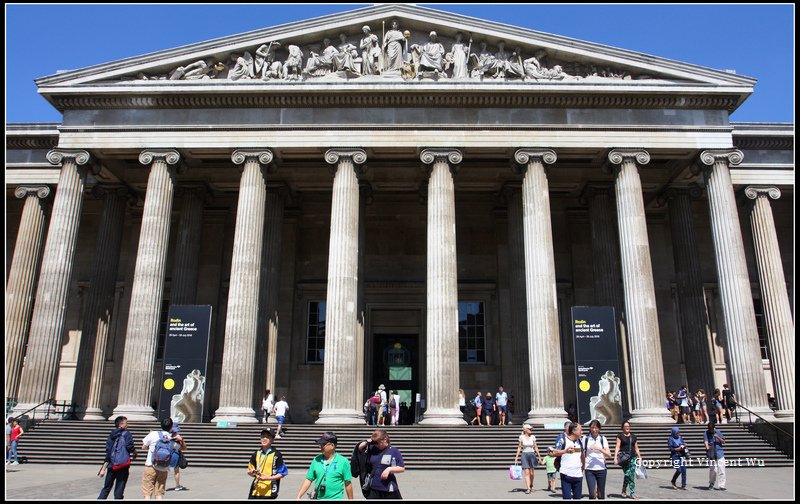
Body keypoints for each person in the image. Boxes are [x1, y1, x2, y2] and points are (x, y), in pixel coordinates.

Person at [295, 432, 353, 500]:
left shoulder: (343, 462)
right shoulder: (316, 460)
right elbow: (308, 479)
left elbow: (348, 483)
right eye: (320, 444)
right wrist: (298, 496)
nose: (320, 446)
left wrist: (350, 499)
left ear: (332, 445)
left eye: (323, 444)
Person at [141, 417, 186, 500]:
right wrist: (181, 440)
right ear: (171, 427)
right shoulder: (171, 439)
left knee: (147, 493)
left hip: (150, 465)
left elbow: (143, 447)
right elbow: (183, 448)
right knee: (159, 493)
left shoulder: (153, 434)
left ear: (161, 425)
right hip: (163, 468)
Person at [357, 428, 405, 499]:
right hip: (373, 487)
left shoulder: (394, 451)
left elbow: (402, 468)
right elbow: (360, 448)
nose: (376, 444)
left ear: (385, 439)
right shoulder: (373, 449)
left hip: (388, 488)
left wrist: (389, 469)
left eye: (377, 442)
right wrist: (368, 442)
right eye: (374, 443)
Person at [98, 415, 136, 499]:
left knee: (106, 488)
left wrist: (104, 467)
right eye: (126, 423)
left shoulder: (112, 434)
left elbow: (108, 451)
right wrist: (134, 451)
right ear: (121, 424)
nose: (127, 425)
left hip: (111, 464)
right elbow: (129, 446)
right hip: (122, 465)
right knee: (119, 488)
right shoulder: (127, 433)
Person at [247, 428, 288, 499]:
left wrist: (268, 478)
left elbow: (282, 473)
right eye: (263, 436)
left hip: (270, 490)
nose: (264, 439)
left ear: (272, 440)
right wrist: (251, 472)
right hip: (256, 490)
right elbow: (250, 471)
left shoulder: (276, 455)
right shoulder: (256, 453)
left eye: (267, 437)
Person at [553, 422, 583, 499]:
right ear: (573, 431)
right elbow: (554, 452)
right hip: (566, 474)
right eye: (580, 430)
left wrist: (583, 467)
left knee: (577, 498)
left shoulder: (580, 441)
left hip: (578, 475)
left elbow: (582, 455)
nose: (582, 432)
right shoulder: (563, 439)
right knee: (567, 497)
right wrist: (565, 451)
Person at [582, 419, 611, 500]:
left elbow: (609, 455)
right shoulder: (586, 438)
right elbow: (583, 453)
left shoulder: (602, 438)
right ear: (590, 428)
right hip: (589, 469)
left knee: (601, 493)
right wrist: (583, 465)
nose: (594, 430)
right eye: (592, 428)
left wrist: (600, 449)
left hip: (601, 468)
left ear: (599, 428)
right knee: (592, 493)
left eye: (596, 428)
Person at [613, 421, 641, 499]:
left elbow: (636, 448)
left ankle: (632, 493)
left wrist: (639, 457)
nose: (627, 427)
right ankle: (624, 489)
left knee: (630, 475)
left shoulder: (633, 436)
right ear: (622, 428)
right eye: (625, 426)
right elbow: (617, 447)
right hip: (624, 458)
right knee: (627, 475)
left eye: (628, 426)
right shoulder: (620, 436)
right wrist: (615, 457)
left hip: (633, 458)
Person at [513, 423, 542, 494]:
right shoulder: (521, 437)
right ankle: (528, 488)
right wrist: (516, 457)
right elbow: (519, 447)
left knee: (532, 472)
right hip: (524, 454)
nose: (531, 430)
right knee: (526, 472)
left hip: (532, 454)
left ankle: (531, 484)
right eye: (529, 429)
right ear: (525, 430)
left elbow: (536, 447)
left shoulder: (533, 437)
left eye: (531, 429)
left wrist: (539, 457)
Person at [704, 422, 727, 491]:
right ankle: (711, 483)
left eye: (711, 429)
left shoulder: (718, 432)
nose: (711, 430)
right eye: (709, 429)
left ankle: (721, 485)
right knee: (713, 470)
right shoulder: (706, 433)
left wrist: (717, 437)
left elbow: (723, 441)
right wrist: (707, 448)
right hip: (712, 454)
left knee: (722, 470)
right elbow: (706, 442)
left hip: (719, 453)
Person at [668, 426, 688, 491]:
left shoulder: (680, 438)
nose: (678, 433)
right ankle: (673, 481)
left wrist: (684, 445)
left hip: (682, 455)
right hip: (675, 456)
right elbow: (671, 448)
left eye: (679, 432)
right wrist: (677, 449)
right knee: (679, 470)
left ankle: (683, 485)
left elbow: (682, 443)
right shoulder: (670, 439)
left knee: (684, 471)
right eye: (677, 432)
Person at [170, 420, 187, 492]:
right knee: (176, 471)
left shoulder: (165, 435)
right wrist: (182, 440)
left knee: (162, 471)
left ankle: (160, 484)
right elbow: (184, 448)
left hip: (165, 454)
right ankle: (177, 485)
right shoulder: (178, 436)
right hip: (175, 454)